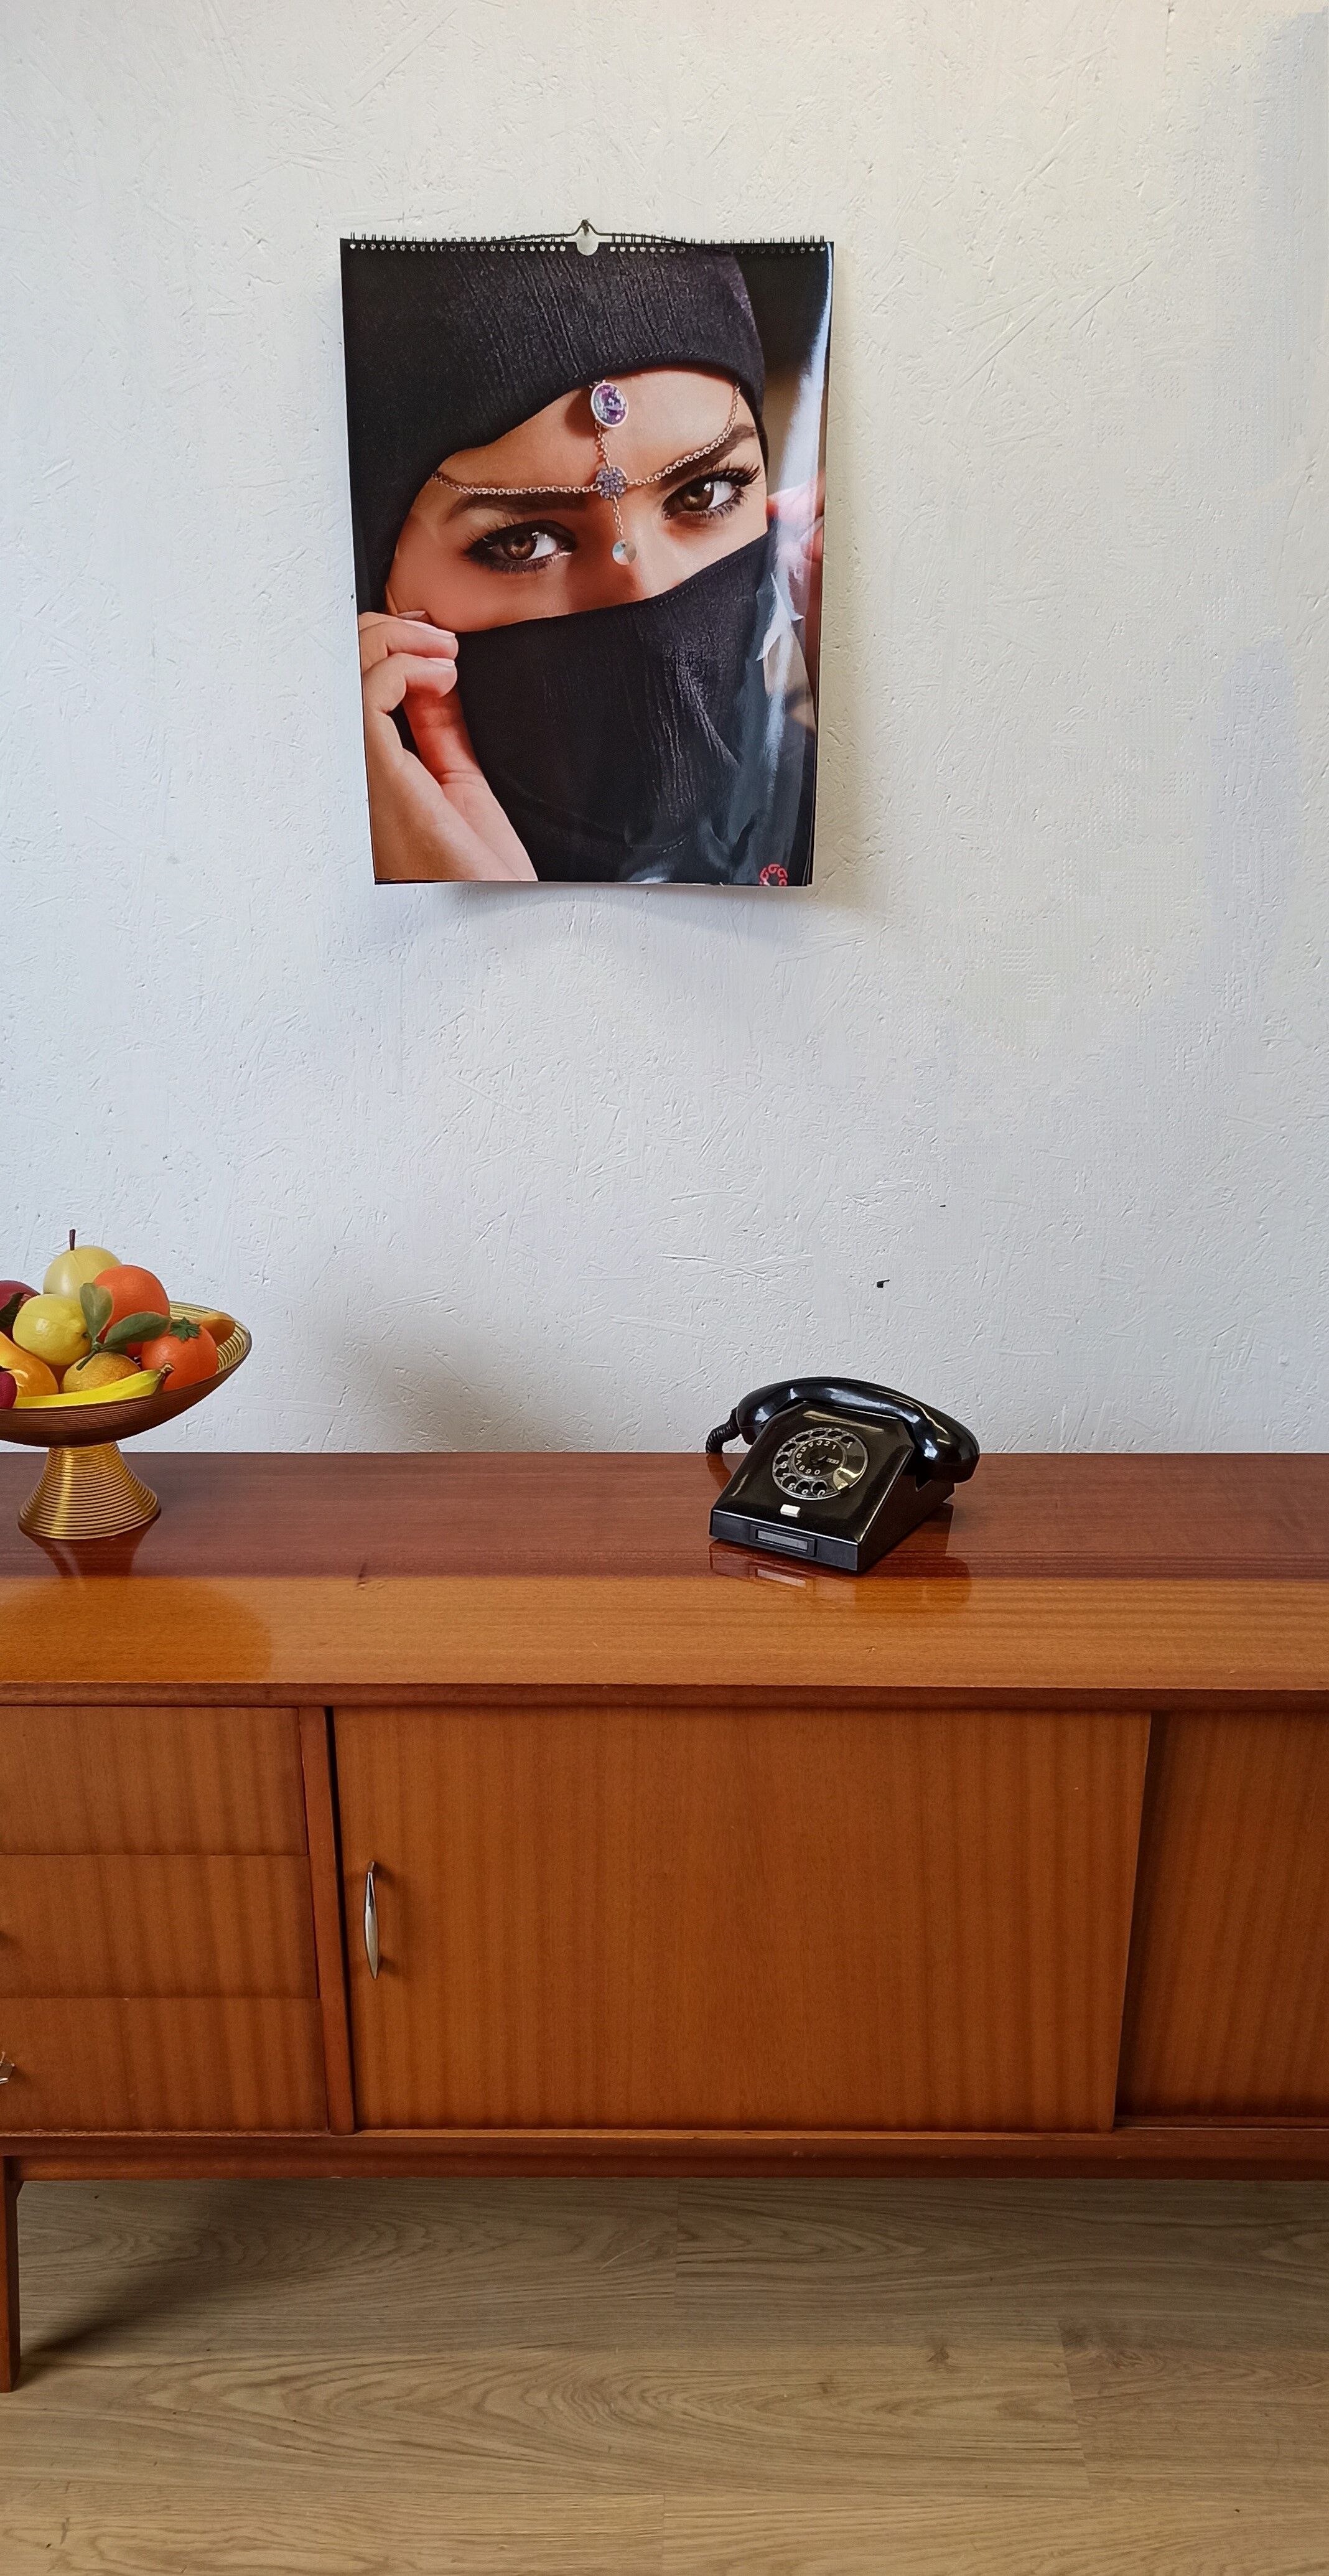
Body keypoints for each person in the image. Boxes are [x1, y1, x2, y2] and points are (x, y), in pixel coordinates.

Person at [342, 243, 825, 885]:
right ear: (377, 578)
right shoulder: (277, 873)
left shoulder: (852, 822)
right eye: (524, 543)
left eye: (702, 494)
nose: (643, 587)